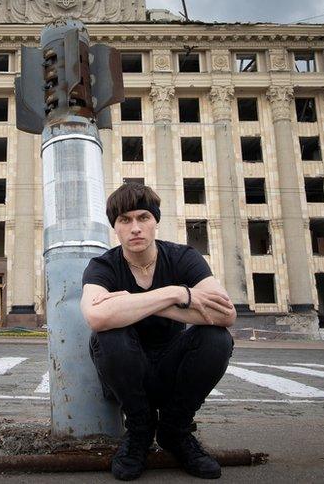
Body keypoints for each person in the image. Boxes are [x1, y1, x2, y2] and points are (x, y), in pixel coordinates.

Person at [81, 183, 236, 480]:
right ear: (115, 227)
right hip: (126, 373)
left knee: (216, 338)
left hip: (171, 371)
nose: (135, 228)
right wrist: (175, 295)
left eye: (143, 218)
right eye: (125, 220)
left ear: (155, 221)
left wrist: (134, 302)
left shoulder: (183, 258)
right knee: (109, 333)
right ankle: (139, 431)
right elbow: (97, 317)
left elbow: (225, 314)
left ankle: (175, 430)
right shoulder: (103, 266)